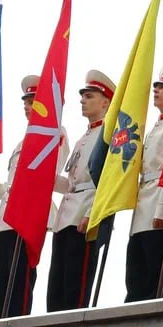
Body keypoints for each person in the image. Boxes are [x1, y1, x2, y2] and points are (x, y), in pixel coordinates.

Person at [0, 75, 69, 320]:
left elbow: (46, 176)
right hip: (5, 218)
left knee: (18, 284)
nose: (28, 107)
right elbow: (11, 186)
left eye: (33, 101)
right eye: (26, 103)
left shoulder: (55, 134)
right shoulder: (22, 141)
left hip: (28, 216)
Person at [47, 70, 114, 311]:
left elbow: (106, 179)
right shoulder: (82, 138)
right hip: (66, 214)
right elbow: (72, 182)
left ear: (106, 101)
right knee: (57, 286)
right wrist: (43, 178)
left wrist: (92, 212)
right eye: (83, 96)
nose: (83, 100)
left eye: (90, 96)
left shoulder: (108, 135)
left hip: (84, 214)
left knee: (76, 286)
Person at [125, 64, 163, 302]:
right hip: (142, 203)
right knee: (135, 274)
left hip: (160, 201)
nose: (156, 90)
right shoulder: (156, 126)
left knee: (153, 278)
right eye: (156, 86)